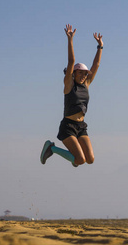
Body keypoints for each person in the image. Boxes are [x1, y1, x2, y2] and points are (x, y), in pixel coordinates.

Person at [40, 24, 103, 167]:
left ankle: (73, 157)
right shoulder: (69, 85)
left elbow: (96, 64)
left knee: (90, 160)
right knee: (80, 160)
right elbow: (71, 62)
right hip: (68, 126)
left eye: (84, 73)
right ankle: (52, 148)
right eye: (80, 72)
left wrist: (100, 47)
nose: (82, 75)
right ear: (73, 74)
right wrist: (70, 40)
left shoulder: (86, 84)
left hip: (81, 126)